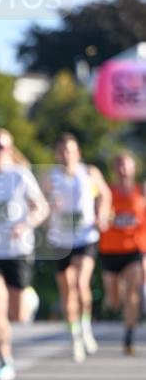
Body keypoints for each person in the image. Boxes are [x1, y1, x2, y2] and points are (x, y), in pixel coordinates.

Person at [0, 129, 49, 380]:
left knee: (17, 314)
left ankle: (30, 297)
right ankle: (4, 359)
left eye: (1, 146)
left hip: (18, 251)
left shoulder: (20, 176)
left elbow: (42, 207)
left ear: (9, 149)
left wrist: (25, 224)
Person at [43, 133, 111, 363]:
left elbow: (105, 195)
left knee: (81, 284)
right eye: (62, 151)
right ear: (56, 154)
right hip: (60, 240)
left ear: (77, 153)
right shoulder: (50, 177)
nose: (66, 155)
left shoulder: (89, 173)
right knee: (67, 290)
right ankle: (74, 336)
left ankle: (85, 326)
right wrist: (50, 206)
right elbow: (41, 204)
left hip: (85, 236)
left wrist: (101, 213)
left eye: (70, 151)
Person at [99, 152, 146, 355]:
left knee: (132, 293)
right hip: (109, 250)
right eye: (119, 165)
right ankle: (115, 305)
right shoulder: (105, 192)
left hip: (134, 249)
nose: (123, 169)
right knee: (115, 300)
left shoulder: (141, 192)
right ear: (114, 169)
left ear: (134, 168)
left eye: (127, 165)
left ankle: (129, 335)